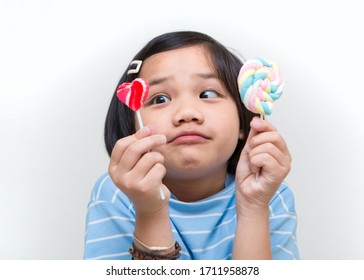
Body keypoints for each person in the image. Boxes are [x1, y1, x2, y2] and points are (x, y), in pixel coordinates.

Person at [84, 31, 299, 260]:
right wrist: (150, 212)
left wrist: (254, 207)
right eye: (160, 99)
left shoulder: (270, 194)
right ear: (133, 125)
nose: (187, 114)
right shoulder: (117, 194)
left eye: (207, 94)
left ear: (243, 120)